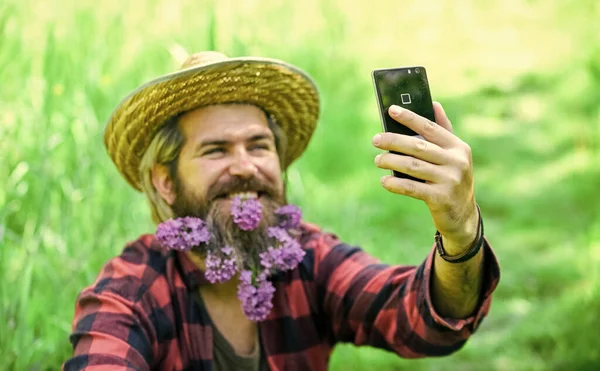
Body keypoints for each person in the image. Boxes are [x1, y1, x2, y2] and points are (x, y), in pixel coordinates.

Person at [63, 51, 500, 371]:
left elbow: (422, 320)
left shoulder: (308, 258)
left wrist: (461, 232)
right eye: (215, 150)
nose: (245, 166)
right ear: (164, 180)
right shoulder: (130, 290)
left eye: (259, 145)